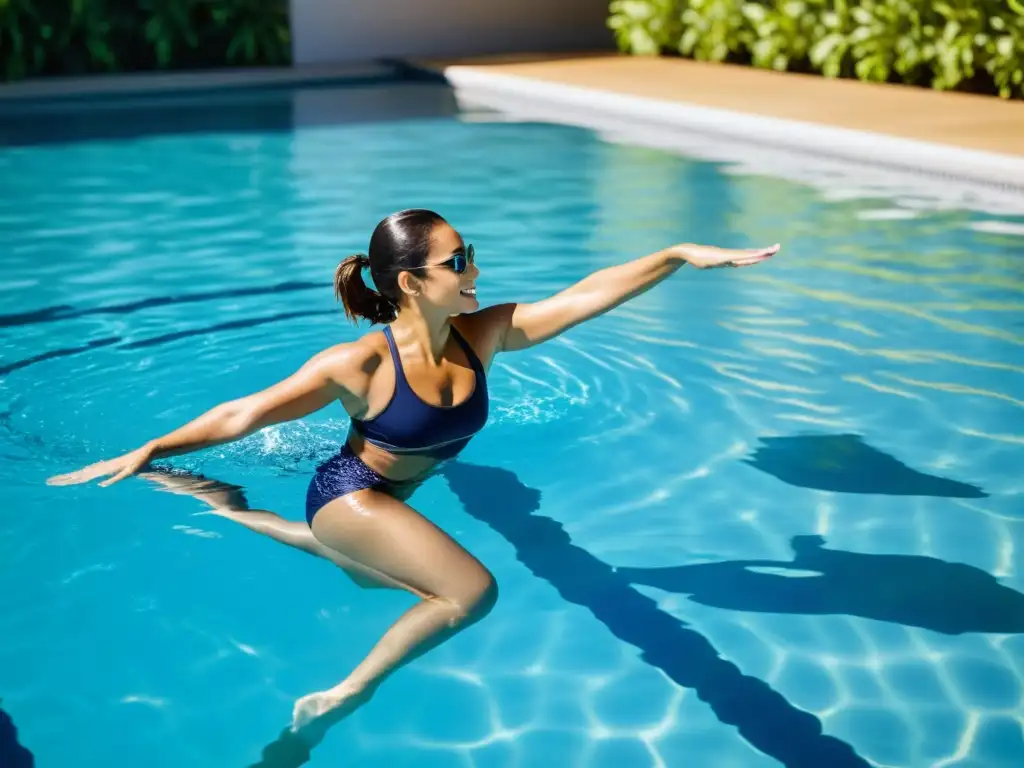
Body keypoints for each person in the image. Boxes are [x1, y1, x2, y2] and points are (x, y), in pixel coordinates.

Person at [47, 208, 779, 733]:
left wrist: (678, 253)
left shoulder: (481, 336)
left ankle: (230, 507)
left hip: (390, 504)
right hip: (348, 494)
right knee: (471, 591)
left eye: (470, 255)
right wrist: (150, 448)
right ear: (407, 282)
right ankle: (342, 696)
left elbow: (582, 298)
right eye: (456, 261)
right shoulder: (360, 363)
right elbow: (246, 413)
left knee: (385, 578)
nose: (473, 272)